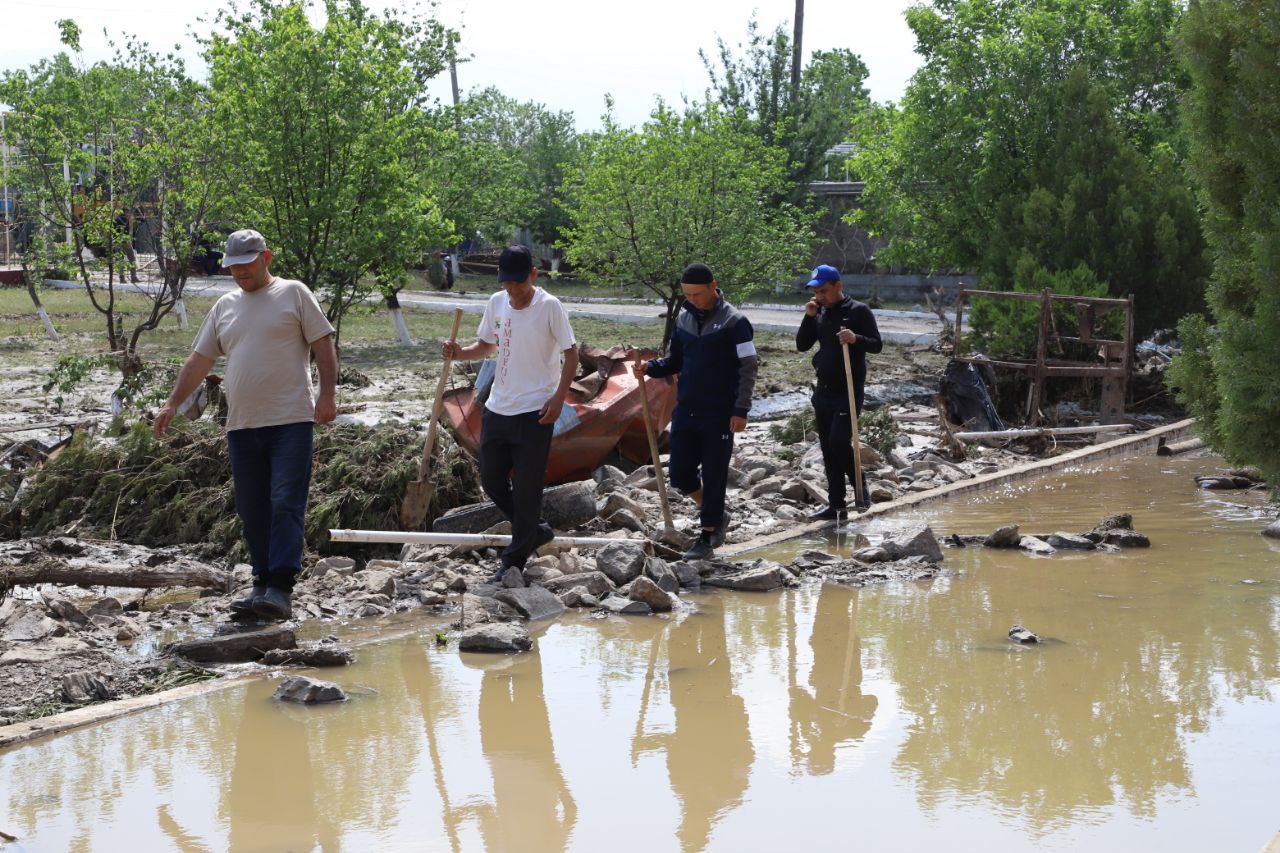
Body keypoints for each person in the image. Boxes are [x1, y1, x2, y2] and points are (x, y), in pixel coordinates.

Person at [154, 228, 337, 619]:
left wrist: (327, 395)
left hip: (291, 420)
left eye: (247, 264)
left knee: (286, 502)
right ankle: (260, 583)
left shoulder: (293, 293)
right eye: (233, 266)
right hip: (242, 425)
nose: (240, 273)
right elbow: (199, 360)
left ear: (265, 258)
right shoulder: (225, 306)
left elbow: (323, 343)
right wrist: (172, 403)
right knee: (252, 508)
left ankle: (281, 587)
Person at [442, 245, 577, 586]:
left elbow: (571, 355)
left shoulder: (549, 307)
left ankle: (513, 560)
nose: (513, 290)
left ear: (533, 275)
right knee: (491, 480)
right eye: (507, 284)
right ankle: (535, 531)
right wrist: (459, 354)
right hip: (498, 408)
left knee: (528, 489)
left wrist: (559, 399)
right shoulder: (496, 302)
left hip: (536, 412)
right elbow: (486, 346)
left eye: (518, 283)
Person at [634, 263, 757, 560]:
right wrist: (651, 367)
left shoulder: (735, 322)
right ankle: (715, 514)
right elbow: (675, 361)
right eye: (687, 294)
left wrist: (741, 409)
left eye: (698, 294)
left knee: (714, 474)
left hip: (720, 411)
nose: (692, 300)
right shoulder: (684, 320)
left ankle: (708, 534)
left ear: (714, 286)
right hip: (687, 408)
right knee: (680, 474)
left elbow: (749, 366)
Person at [795, 264, 882, 520]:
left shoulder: (859, 311)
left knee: (837, 442)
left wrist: (856, 339)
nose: (819, 296)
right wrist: (809, 317)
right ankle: (836, 506)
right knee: (827, 447)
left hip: (848, 389)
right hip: (823, 389)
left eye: (824, 291)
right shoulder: (818, 312)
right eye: (816, 292)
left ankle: (860, 485)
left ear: (837, 286)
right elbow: (802, 345)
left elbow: (876, 345)